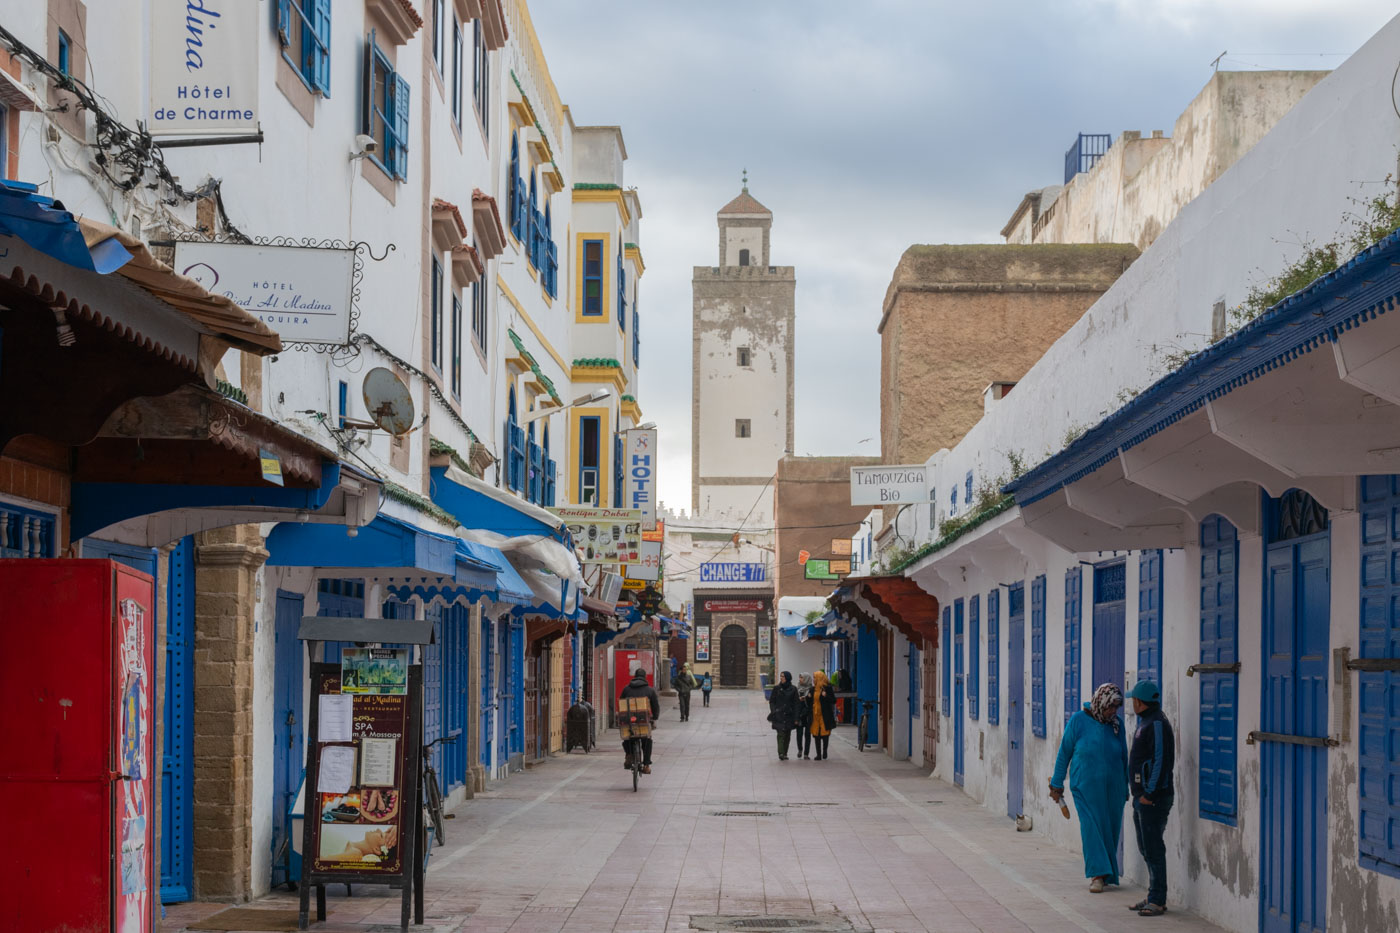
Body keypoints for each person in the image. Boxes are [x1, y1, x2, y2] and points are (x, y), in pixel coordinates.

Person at [1050, 682, 1130, 893]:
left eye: (1116, 707)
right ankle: (1096, 875)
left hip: (1113, 788)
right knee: (1091, 828)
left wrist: (1126, 786)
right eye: (1110, 706)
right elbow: (1064, 752)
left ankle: (1106, 873)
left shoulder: (1117, 725)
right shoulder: (1078, 720)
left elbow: (1124, 755)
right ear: (1099, 702)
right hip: (1084, 786)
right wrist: (1056, 784)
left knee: (1110, 830)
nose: (1113, 711)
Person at [1127, 680, 1175, 917]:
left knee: (1154, 848)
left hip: (1152, 799)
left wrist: (1149, 794)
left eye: (1133, 700)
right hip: (1142, 797)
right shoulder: (1147, 722)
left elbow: (1161, 761)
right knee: (1146, 847)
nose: (1131, 704)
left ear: (1139, 701)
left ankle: (1157, 900)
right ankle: (1153, 894)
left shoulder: (1156, 723)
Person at [619, 668, 660, 774]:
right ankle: (646, 765)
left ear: (635, 676)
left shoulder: (626, 689)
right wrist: (655, 718)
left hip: (629, 720)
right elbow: (655, 706)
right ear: (645, 677)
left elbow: (621, 703)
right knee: (647, 740)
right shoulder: (650, 690)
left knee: (627, 737)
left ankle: (629, 754)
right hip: (644, 720)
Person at [768, 671, 800, 760]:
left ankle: (785, 753)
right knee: (780, 734)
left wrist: (796, 717)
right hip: (779, 714)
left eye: (783, 676)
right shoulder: (777, 688)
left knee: (787, 735)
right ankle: (781, 753)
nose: (781, 678)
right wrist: (773, 711)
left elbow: (796, 704)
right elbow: (772, 701)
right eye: (780, 676)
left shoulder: (793, 689)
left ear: (787, 678)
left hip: (789, 715)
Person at [809, 670, 836, 760]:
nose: (813, 679)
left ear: (820, 678)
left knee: (825, 734)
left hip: (825, 715)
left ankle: (824, 752)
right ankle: (818, 755)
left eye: (815, 677)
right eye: (813, 678)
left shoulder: (827, 688)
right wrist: (807, 697)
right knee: (816, 734)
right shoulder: (812, 689)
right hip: (815, 715)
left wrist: (826, 696)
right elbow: (809, 702)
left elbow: (833, 700)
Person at [795, 672, 814, 759]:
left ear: (806, 678)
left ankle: (806, 753)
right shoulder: (797, 689)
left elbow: (813, 703)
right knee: (799, 734)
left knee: (807, 734)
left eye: (802, 678)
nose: (800, 679)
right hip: (799, 715)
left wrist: (807, 698)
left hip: (808, 715)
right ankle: (800, 750)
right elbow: (794, 701)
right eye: (800, 678)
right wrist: (799, 699)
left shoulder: (812, 689)